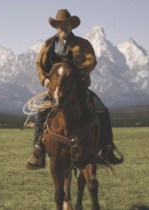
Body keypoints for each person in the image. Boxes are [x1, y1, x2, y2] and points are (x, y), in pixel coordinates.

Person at [25, 9, 123, 169]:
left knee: (102, 110)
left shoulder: (82, 44)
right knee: (41, 113)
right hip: (55, 88)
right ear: (56, 26)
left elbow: (92, 60)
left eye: (66, 23)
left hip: (78, 86)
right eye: (59, 24)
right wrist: (45, 79)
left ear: (71, 25)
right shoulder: (48, 44)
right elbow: (39, 64)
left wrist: (76, 71)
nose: (63, 27)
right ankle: (38, 151)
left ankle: (107, 148)